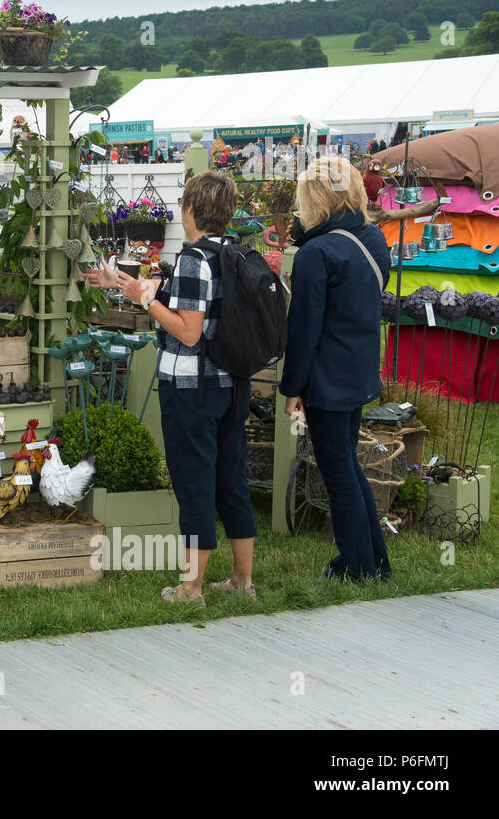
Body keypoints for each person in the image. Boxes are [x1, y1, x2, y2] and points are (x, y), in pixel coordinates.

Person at [85, 171, 256, 606]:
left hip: (191, 390)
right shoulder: (231, 253)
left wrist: (146, 301)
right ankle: (241, 582)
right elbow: (185, 299)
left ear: (191, 210)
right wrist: (125, 285)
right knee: (230, 481)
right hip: (231, 386)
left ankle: (190, 588)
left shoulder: (196, 259)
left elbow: (188, 330)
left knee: (195, 484)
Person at [280, 156, 392, 582]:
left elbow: (303, 330)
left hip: (327, 374)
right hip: (360, 365)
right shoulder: (372, 239)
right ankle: (373, 561)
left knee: (337, 470)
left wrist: (293, 387)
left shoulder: (316, 253)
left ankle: (359, 565)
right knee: (347, 464)